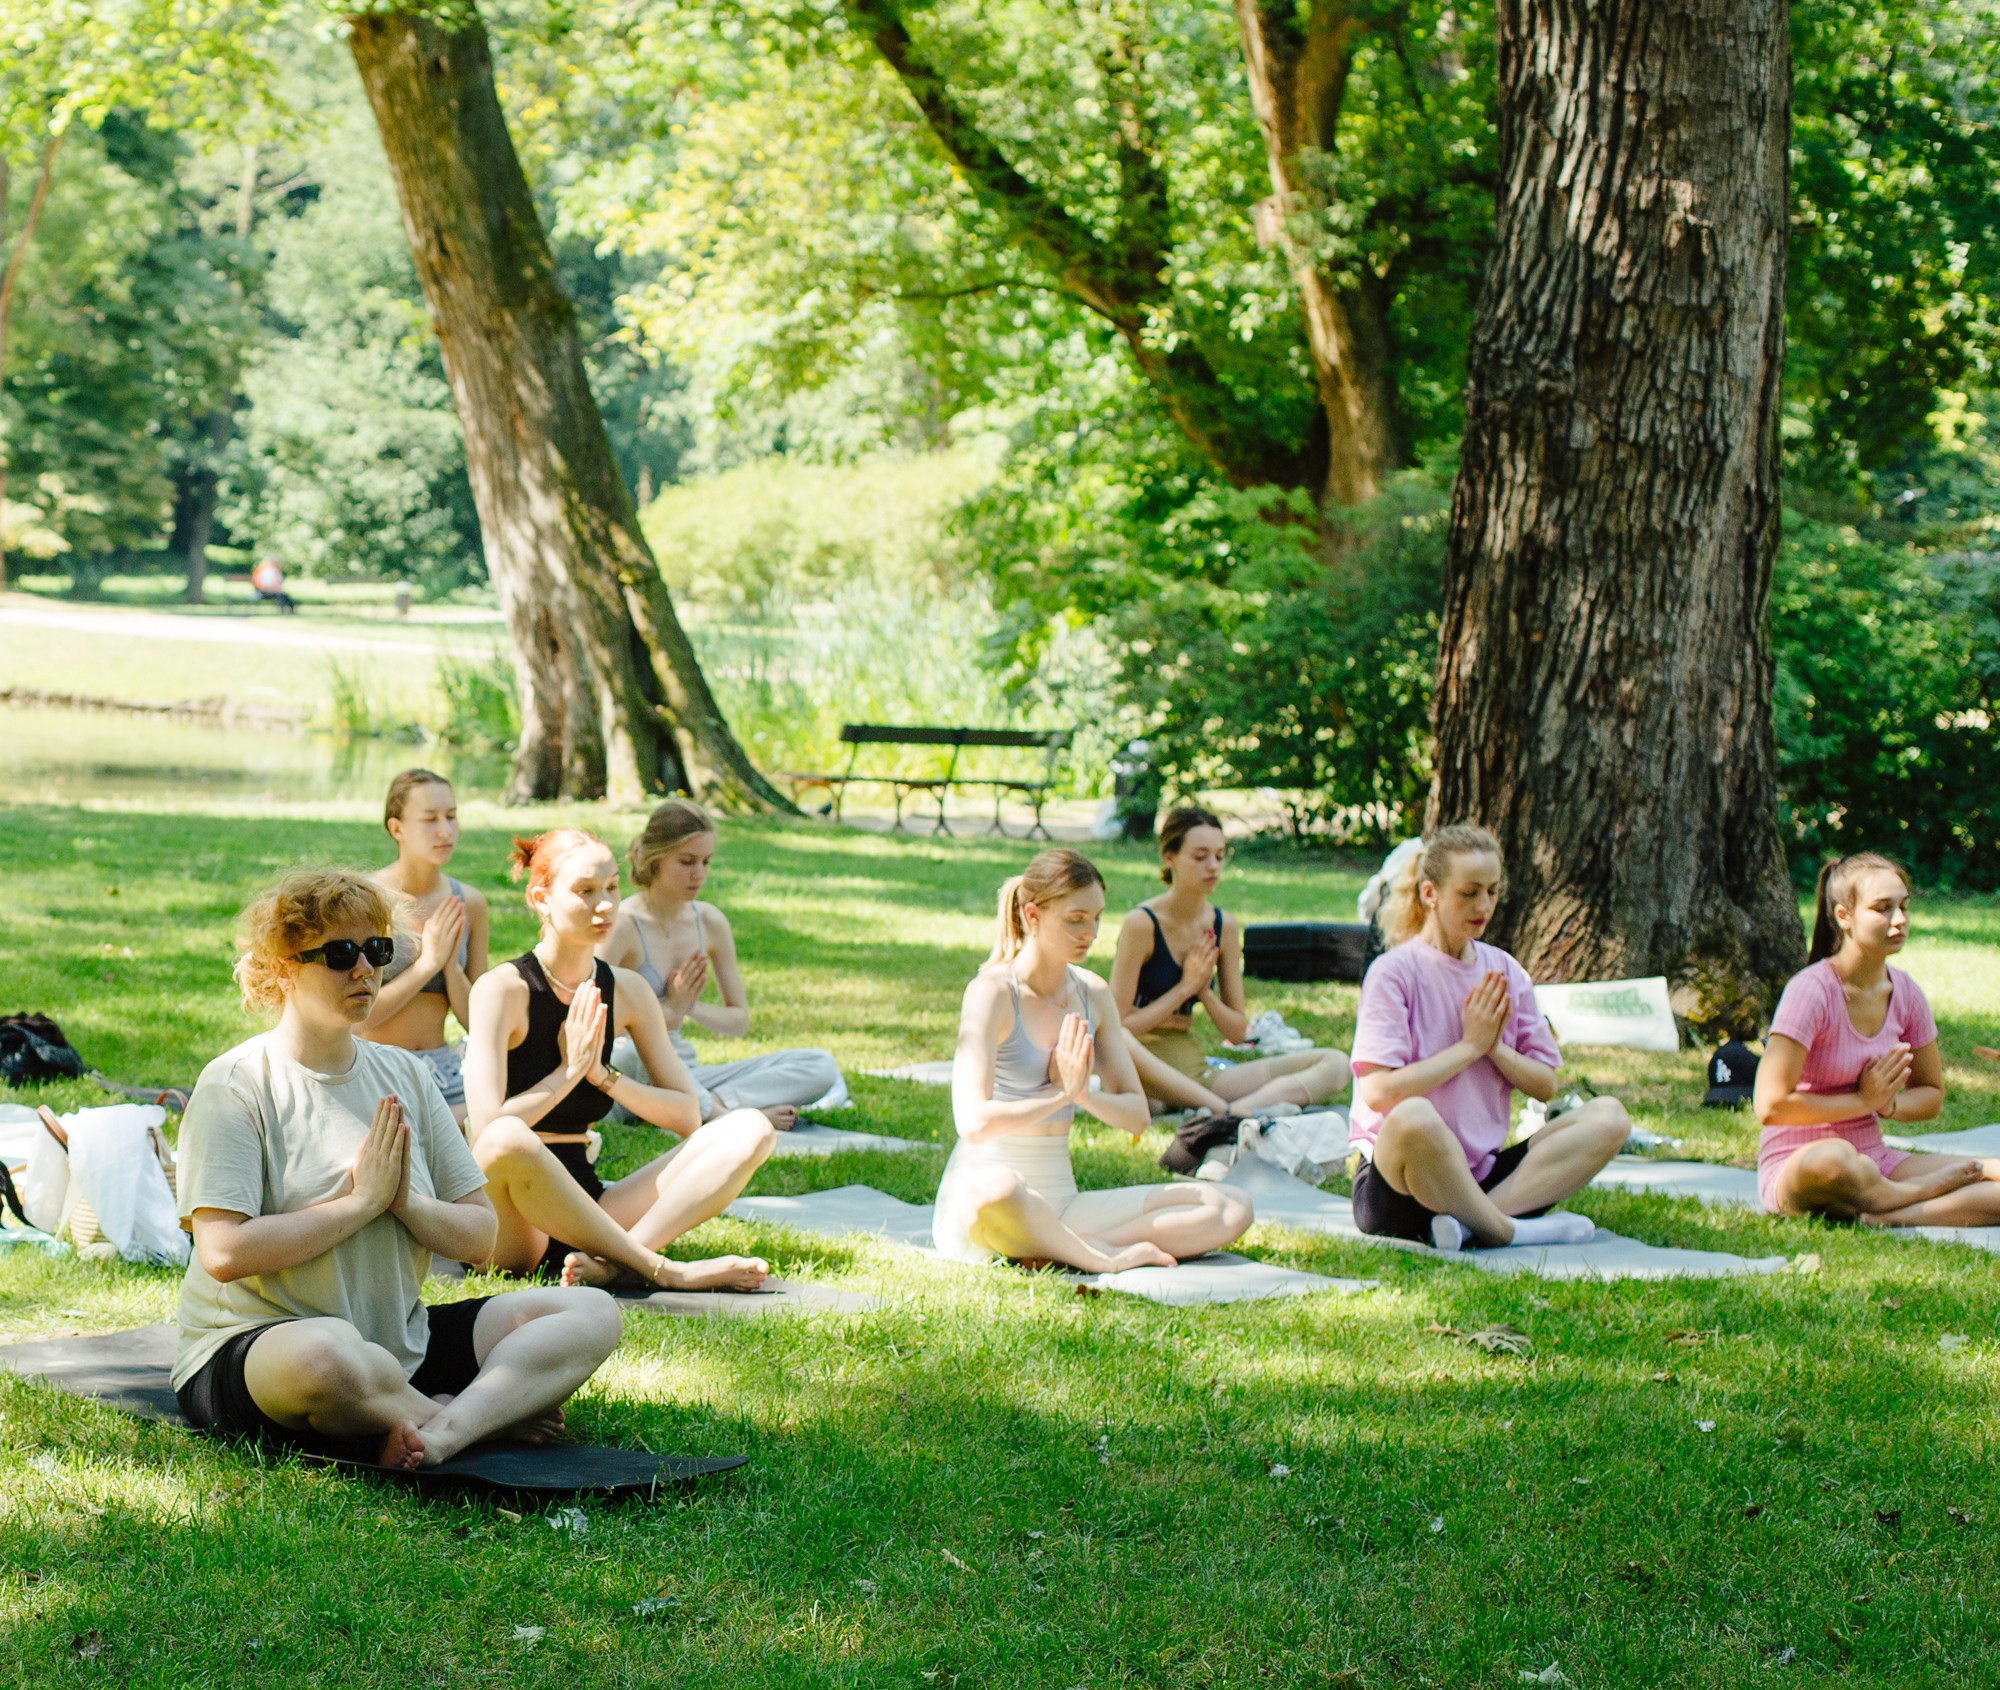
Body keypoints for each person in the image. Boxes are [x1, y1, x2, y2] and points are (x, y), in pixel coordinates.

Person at [171, 869, 620, 1472]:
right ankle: (473, 1419)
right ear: (282, 968)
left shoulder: (407, 1075)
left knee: (590, 1313)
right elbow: (223, 1253)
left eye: (377, 950)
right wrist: (358, 1204)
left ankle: (442, 1429)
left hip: (397, 1343)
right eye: (338, 954)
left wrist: (405, 1201)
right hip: (262, 1346)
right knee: (330, 1356)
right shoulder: (238, 1083)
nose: (364, 970)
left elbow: (479, 1235)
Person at [462, 828, 773, 1292]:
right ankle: (662, 1271)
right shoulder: (502, 989)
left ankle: (618, 1263)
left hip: (593, 1211)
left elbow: (688, 1114)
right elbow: (487, 1131)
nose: (605, 904)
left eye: (611, 887)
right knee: (508, 1136)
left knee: (752, 1128)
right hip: (512, 1222)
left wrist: (602, 1076)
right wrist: (566, 1075)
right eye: (585, 891)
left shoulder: (627, 990)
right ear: (541, 898)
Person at [935, 847, 1254, 1271]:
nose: (1092, 932)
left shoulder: (1093, 994)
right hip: (989, 1205)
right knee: (999, 1188)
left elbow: (1136, 1116)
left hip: (1062, 1202)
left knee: (1231, 1206)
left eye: (1097, 917)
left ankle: (1072, 1246)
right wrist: (1059, 1094)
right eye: (1076, 919)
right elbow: (973, 1124)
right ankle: (1101, 1259)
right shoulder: (992, 992)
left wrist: (1083, 1094)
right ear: (1033, 916)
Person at [1346, 826, 1629, 1251]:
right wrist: (1469, 1049)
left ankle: (1467, 1225)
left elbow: (1546, 1085)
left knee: (1610, 1117)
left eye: (1493, 892)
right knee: (1414, 1116)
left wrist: (1494, 1048)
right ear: (1430, 893)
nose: (1484, 906)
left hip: (1481, 1174)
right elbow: (1379, 1091)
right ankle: (1504, 1231)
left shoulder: (1506, 972)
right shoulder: (1393, 972)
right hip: (1402, 1184)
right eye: (1469, 893)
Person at [1754, 852, 2000, 1224]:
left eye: (1903, 906)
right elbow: (1770, 1106)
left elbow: (1931, 1094)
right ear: (1844, 916)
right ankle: (1918, 1192)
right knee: (1834, 1159)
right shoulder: (1811, 991)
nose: (1899, 920)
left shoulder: (1906, 993)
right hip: (1801, 1161)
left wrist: (1888, 1106)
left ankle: (1887, 1214)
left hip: (1876, 1159)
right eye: (1882, 909)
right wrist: (1862, 1100)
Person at [598, 800, 841, 1131]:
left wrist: (691, 1007)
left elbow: (738, 1022)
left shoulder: (710, 922)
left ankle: (710, 1105)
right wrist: (670, 1009)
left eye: (706, 861)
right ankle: (722, 1117)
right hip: (631, 1070)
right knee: (642, 1050)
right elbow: (590, 1023)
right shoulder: (623, 925)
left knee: (820, 1065)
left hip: (687, 1071)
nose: (699, 873)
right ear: (656, 860)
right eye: (687, 862)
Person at [1108, 805, 1350, 1117]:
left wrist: (1204, 992)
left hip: (1196, 1073)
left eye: (1220, 856)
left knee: (1335, 1064)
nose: (1213, 867)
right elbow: (1117, 1027)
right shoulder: (1141, 924)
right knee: (1143, 1087)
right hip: (1140, 1066)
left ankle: (1227, 1113)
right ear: (1169, 857)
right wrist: (1184, 989)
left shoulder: (1224, 926)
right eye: (1200, 856)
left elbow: (1237, 1032)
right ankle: (1225, 1111)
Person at [364, 769, 489, 1124]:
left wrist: (452, 970)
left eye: (451, 817)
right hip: (377, 1069)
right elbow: (357, 1020)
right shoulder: (365, 900)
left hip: (444, 1072)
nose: (446, 832)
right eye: (430, 820)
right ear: (397, 829)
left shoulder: (470, 903)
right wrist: (427, 964)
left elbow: (477, 1021)